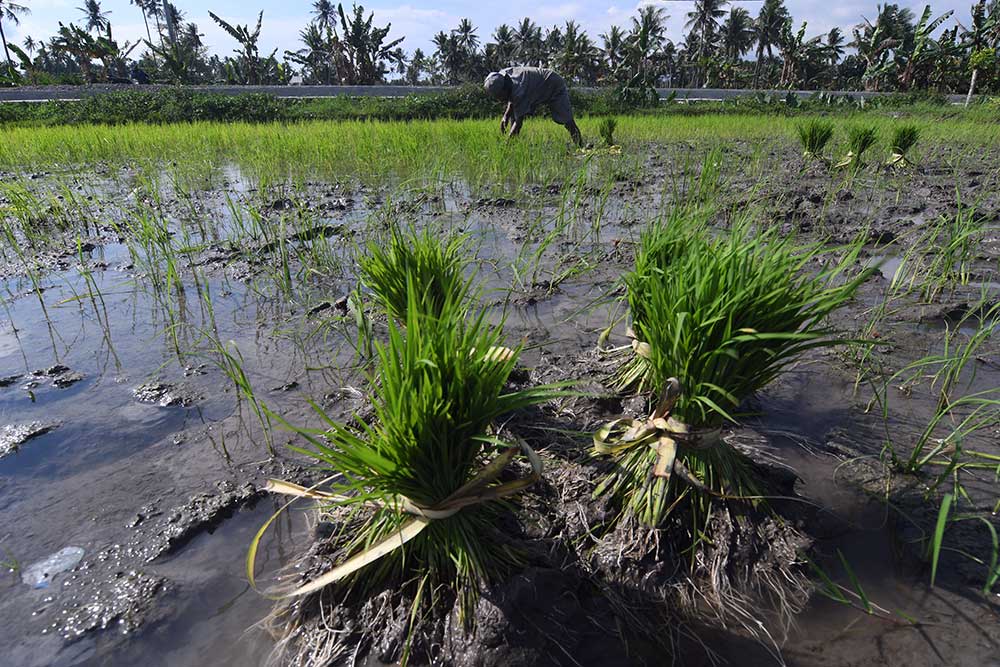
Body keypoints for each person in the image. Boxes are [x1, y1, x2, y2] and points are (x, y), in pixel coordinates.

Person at [483, 67, 583, 147]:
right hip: (536, 84)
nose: (499, 100)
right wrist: (505, 116)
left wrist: (506, 147)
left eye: (500, 96)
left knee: (566, 119)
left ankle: (580, 145)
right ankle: (513, 146)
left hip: (553, 83)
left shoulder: (519, 90)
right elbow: (511, 98)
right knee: (513, 116)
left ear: (504, 89)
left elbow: (518, 123)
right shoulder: (503, 76)